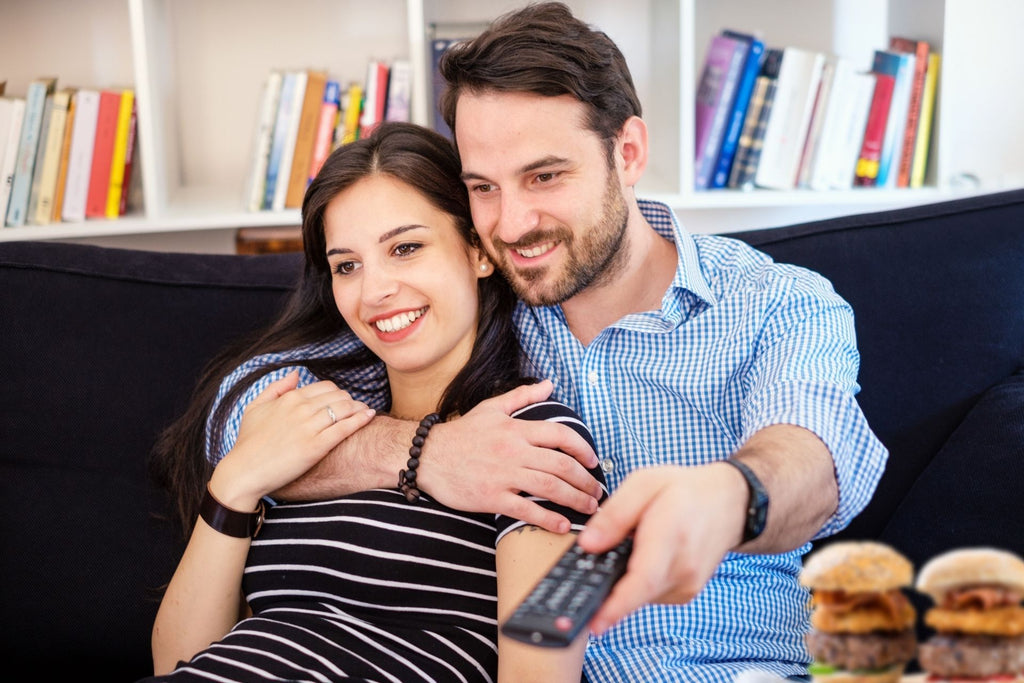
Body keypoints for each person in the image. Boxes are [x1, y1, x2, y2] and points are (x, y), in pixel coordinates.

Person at [207, 3, 888, 681]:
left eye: (545, 176)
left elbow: (815, 458)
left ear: (628, 153)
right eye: (483, 187)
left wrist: (733, 493)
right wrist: (423, 452)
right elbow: (244, 412)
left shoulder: (773, 302)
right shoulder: (473, 300)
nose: (513, 223)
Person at [144, 121, 607, 682]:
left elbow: (542, 672)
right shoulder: (316, 435)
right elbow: (179, 660)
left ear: (479, 253)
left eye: (406, 248)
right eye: (347, 265)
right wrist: (235, 485)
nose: (374, 290)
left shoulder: (533, 438)